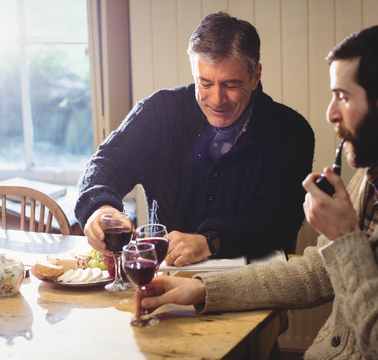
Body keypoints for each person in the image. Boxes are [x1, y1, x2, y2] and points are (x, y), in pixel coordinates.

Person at [135, 23, 378, 359]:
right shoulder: (377, 179)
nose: (330, 113)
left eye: (342, 96)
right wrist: (201, 290)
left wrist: (344, 236)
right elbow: (315, 273)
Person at [74, 12, 315, 266]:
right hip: (165, 282)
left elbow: (277, 221)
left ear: (256, 76)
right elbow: (105, 164)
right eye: (205, 83)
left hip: (255, 287)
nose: (217, 99)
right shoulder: (159, 112)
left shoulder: (291, 132)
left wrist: (211, 241)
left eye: (231, 85)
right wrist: (100, 209)